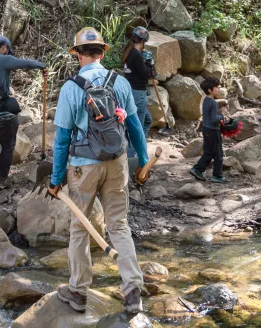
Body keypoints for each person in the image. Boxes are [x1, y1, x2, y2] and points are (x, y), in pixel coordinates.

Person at [46, 27, 149, 314]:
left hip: (83, 167)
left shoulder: (71, 87)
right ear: (103, 53)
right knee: (119, 225)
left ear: (78, 54)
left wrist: (55, 180)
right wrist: (142, 159)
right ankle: (132, 291)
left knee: (80, 228)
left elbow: (63, 139)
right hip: (117, 163)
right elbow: (134, 125)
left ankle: (78, 291)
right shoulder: (121, 83)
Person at [0, 36, 46, 196]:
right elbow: (23, 63)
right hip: (2, 114)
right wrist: (42, 66)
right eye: (7, 51)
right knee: (8, 146)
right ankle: (1, 180)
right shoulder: (3, 60)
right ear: (4, 47)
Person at [121, 26, 154, 160]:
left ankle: (139, 148)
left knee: (147, 120)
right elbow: (146, 74)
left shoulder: (130, 52)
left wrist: (146, 62)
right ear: (143, 41)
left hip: (131, 92)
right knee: (136, 128)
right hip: (138, 93)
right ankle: (132, 158)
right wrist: (149, 63)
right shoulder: (135, 54)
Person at [189, 77, 229, 183]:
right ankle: (217, 175)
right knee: (218, 154)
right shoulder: (213, 103)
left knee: (208, 152)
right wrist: (222, 116)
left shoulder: (206, 100)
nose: (219, 89)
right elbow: (214, 118)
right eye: (216, 87)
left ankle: (197, 169)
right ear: (210, 90)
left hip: (206, 130)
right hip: (213, 130)